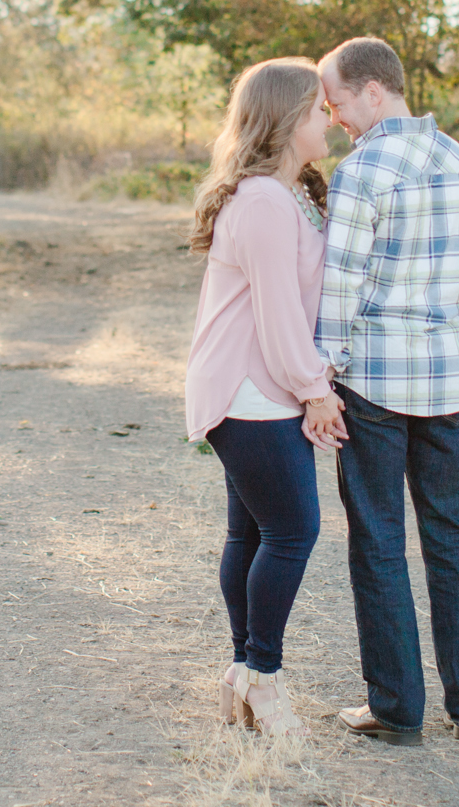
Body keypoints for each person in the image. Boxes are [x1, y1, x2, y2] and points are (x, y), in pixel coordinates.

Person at [310, 35, 459, 746]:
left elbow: (341, 284)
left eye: (336, 103)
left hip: (376, 386)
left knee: (380, 542)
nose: (334, 119)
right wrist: (455, 349)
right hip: (447, 382)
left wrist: (323, 377)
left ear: (372, 92)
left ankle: (396, 711)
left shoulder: (364, 171)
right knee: (454, 542)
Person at [183, 57, 348, 738]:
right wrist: (316, 392)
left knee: (251, 533)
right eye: (318, 111)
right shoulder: (262, 204)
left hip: (258, 383)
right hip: (252, 389)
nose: (329, 121)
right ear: (285, 121)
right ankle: (264, 679)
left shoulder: (287, 196)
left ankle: (240, 677)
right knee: (291, 531)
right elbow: (281, 317)